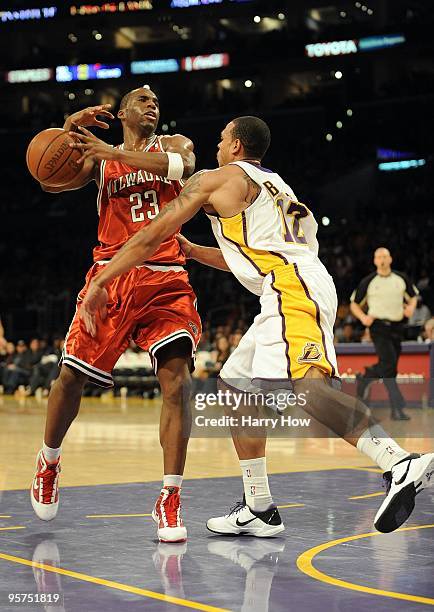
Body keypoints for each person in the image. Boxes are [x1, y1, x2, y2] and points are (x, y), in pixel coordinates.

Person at [80, 115, 433, 537]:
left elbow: (150, 235)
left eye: (221, 138)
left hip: (291, 286)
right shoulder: (274, 185)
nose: (216, 145)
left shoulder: (217, 179)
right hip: (289, 282)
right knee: (235, 385)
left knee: (309, 389)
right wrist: (193, 251)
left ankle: (398, 461)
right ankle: (259, 505)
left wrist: (102, 279)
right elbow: (243, 258)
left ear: (234, 146)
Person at [30, 88, 202, 544]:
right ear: (122, 112)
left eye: (156, 100)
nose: (152, 103)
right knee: (70, 377)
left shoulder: (174, 144)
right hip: (111, 273)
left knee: (178, 381)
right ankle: (49, 461)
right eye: (141, 99)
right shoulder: (99, 161)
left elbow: (183, 169)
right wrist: (68, 131)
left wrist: (112, 150)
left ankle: (169, 497)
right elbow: (49, 177)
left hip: (167, 276)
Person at [350, 248, 418, 420]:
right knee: (388, 363)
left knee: (390, 370)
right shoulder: (369, 281)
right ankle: (398, 407)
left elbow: (414, 296)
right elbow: (354, 304)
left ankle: (367, 377)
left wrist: (410, 307)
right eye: (379, 257)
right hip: (378, 327)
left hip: (397, 327)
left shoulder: (401, 278)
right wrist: (363, 317)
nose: (382, 259)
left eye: (385, 256)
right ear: (374, 261)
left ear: (390, 259)